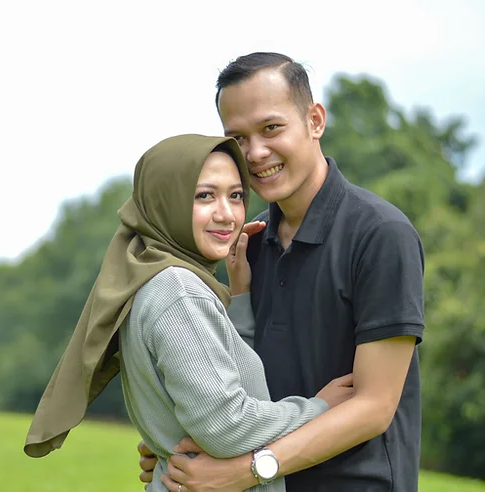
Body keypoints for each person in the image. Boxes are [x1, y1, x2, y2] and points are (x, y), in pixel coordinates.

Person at [138, 53, 425, 492]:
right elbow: (235, 389)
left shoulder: (381, 234)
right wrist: (169, 448)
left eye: (271, 128)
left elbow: (374, 405)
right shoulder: (246, 247)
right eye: (238, 137)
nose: (255, 153)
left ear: (314, 120)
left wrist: (251, 468)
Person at [22, 134, 354, 492]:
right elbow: (227, 425)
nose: (227, 214)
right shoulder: (177, 290)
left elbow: (221, 378)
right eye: (204, 196)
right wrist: (320, 409)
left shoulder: (151, 276)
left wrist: (239, 296)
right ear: (167, 202)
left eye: (236, 195)